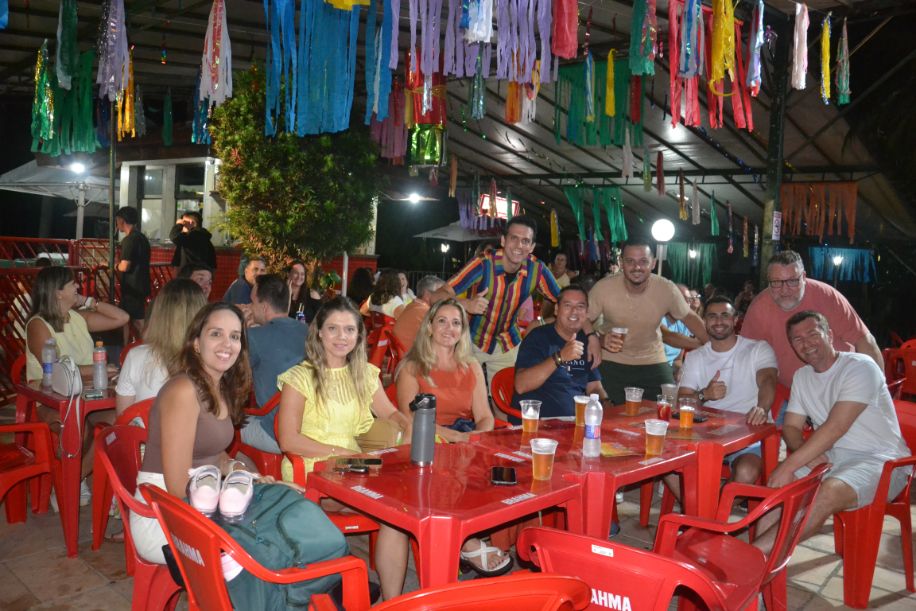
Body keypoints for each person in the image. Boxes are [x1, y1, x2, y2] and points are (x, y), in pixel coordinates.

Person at [275, 297, 410, 600]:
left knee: (398, 511)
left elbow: (390, 413)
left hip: (354, 467)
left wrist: (408, 425)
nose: (341, 337)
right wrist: (341, 453)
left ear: (359, 335)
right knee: (394, 502)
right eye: (333, 328)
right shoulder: (301, 377)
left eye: (349, 329)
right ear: (319, 332)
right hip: (312, 469)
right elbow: (288, 440)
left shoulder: (364, 374)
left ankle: (392, 603)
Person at [753, 311, 910, 552]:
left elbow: (836, 426)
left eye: (813, 334)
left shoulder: (860, 367)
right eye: (797, 339)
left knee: (825, 492)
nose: (806, 343)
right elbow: (792, 427)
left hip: (882, 461)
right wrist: (805, 454)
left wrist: (790, 464)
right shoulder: (802, 376)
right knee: (779, 486)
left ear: (829, 334)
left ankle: (751, 556)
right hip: (833, 457)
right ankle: (759, 565)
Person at [129, 303, 263, 564]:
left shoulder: (218, 386)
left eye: (235, 336)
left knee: (276, 516)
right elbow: (177, 487)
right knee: (264, 540)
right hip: (165, 515)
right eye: (216, 334)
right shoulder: (184, 391)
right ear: (196, 343)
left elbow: (214, 453)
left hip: (199, 501)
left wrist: (243, 473)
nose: (227, 344)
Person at [394, 299, 513, 576]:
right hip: (427, 437)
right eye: (442, 321)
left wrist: (476, 437)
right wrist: (457, 437)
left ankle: (486, 536)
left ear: (463, 331)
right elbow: (411, 420)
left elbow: (485, 415)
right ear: (429, 327)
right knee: (446, 465)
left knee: (507, 467)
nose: (449, 328)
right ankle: (465, 542)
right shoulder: (412, 367)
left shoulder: (471, 365)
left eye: (456, 323)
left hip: (465, 434)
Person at [430, 216, 593, 388]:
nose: (519, 245)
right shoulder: (483, 264)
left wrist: (592, 336)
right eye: (514, 238)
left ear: (531, 247)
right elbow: (436, 297)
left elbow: (569, 302)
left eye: (525, 241)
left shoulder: (536, 270)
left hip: (506, 342)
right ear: (503, 240)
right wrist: (467, 304)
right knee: (462, 392)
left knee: (507, 396)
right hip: (471, 340)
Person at [25, 266, 129, 503]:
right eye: (73, 284)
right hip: (51, 399)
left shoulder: (78, 318)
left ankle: (71, 480)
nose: (78, 287)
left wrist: (88, 301)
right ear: (58, 292)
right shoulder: (38, 325)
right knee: (80, 429)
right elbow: (54, 369)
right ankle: (68, 481)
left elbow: (122, 318)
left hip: (87, 396)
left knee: (121, 420)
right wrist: (99, 369)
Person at [587, 241, 708, 405]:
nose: (637, 267)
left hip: (653, 362)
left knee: (667, 409)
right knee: (610, 412)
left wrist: (714, 346)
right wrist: (597, 339)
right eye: (630, 261)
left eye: (643, 261)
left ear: (653, 263)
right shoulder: (603, 288)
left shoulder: (666, 288)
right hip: (612, 362)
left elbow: (690, 317)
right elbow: (583, 320)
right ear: (621, 263)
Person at [740, 250, 883, 389]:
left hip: (842, 383)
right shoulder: (759, 308)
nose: (784, 290)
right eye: (776, 282)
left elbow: (864, 341)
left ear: (803, 277)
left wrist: (878, 389)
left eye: (792, 281)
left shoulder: (827, 296)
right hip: (790, 390)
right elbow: (746, 357)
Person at [677, 296, 777, 484]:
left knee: (746, 471)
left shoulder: (757, 349)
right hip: (705, 436)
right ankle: (700, 501)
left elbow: (768, 381)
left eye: (725, 315)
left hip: (748, 434)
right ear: (704, 321)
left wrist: (761, 408)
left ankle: (713, 503)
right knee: (663, 460)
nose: (718, 321)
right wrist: (705, 394)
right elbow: (682, 401)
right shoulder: (696, 357)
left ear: (735, 319)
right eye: (712, 316)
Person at [116, 279, 207, 415]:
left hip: (145, 428)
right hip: (194, 428)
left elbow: (123, 416)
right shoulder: (211, 359)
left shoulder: (135, 356)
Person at [512, 285, 606, 418]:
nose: (574, 311)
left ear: (586, 313)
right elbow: (521, 385)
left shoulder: (586, 342)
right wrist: (560, 357)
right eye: (567, 305)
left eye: (580, 306)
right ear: (556, 309)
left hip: (576, 421)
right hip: (539, 421)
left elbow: (594, 387)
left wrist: (605, 403)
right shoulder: (538, 337)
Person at [241, 274, 308, 453]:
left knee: (226, 431)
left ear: (264, 307)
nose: (249, 307)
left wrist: (240, 330)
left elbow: (234, 377)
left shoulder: (253, 337)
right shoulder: (307, 330)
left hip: (276, 432)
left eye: (252, 302)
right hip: (310, 429)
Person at [114, 207, 151, 340]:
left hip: (132, 287)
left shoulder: (129, 240)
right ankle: (127, 345)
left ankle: (147, 346)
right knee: (125, 319)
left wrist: (115, 265)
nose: (116, 224)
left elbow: (125, 266)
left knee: (135, 321)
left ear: (122, 220)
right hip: (141, 284)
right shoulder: (143, 238)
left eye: (117, 221)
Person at [392, 275, 445, 351]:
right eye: (440, 294)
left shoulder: (413, 305)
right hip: (411, 355)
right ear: (427, 295)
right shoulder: (425, 312)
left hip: (402, 352)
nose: (444, 298)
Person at [660, 283, 701, 379]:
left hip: (668, 372)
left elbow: (677, 360)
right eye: (682, 299)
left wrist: (680, 371)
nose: (686, 304)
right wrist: (705, 344)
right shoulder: (657, 317)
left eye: (689, 300)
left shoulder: (683, 324)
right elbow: (669, 336)